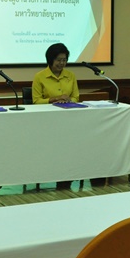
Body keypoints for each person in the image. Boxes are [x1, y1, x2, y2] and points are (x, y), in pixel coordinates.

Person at [32, 43, 80, 189]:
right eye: (58, 60)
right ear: (50, 59)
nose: (62, 63)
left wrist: (69, 100)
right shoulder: (40, 77)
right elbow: (36, 101)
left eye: (64, 60)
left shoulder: (70, 76)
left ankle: (68, 174)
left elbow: (76, 97)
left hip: (69, 119)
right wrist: (53, 99)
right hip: (48, 121)